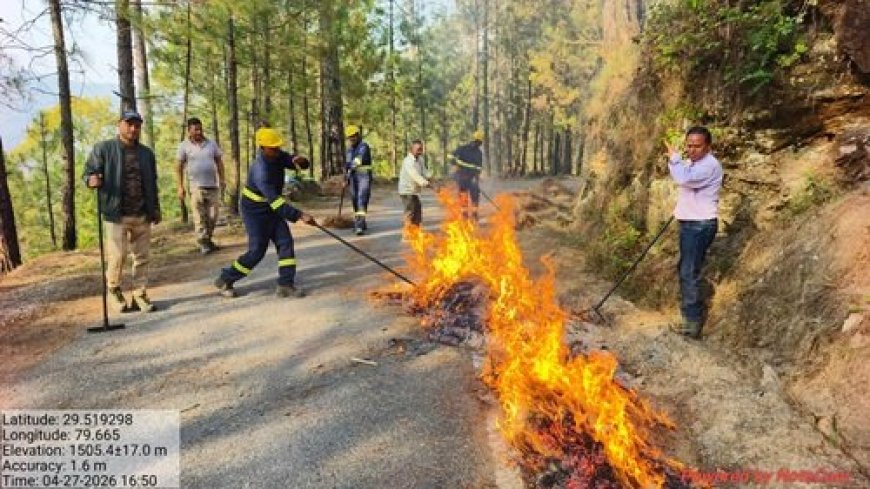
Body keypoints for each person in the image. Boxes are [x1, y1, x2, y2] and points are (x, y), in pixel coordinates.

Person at [214, 127, 316, 298]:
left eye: (278, 147)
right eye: (273, 148)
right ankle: (226, 278)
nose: (277, 150)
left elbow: (296, 163)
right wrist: (300, 215)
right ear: (262, 148)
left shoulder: (276, 155)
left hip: (271, 207)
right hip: (255, 211)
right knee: (256, 251)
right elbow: (276, 203)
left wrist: (300, 161)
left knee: (285, 242)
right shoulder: (261, 170)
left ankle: (285, 284)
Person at [83, 110, 161, 313]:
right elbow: (89, 172)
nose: (133, 129)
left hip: (142, 213)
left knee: (142, 257)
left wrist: (155, 208)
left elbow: (152, 183)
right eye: (129, 124)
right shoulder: (104, 148)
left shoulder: (146, 153)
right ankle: (113, 289)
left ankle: (139, 294)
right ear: (119, 125)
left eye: (137, 125)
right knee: (118, 256)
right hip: (116, 214)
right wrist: (91, 180)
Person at [665, 126, 723, 339]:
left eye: (697, 146)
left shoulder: (709, 166)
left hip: (699, 225)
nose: (692, 150)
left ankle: (692, 323)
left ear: (708, 147)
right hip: (691, 223)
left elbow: (683, 179)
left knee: (689, 271)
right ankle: (690, 317)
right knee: (686, 269)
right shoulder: (693, 163)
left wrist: (674, 158)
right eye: (689, 145)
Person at [176, 117, 226, 254]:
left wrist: (222, 179)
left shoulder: (211, 144)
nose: (198, 132)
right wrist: (180, 186)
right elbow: (178, 167)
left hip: (212, 185)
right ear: (189, 131)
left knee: (213, 215)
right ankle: (203, 242)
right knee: (199, 216)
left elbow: (219, 161)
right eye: (195, 130)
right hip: (196, 187)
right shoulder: (184, 146)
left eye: (200, 129)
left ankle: (208, 239)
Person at [398, 140, 434, 229]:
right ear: (411, 149)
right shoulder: (408, 161)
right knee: (410, 212)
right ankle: (407, 233)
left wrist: (432, 178)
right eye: (418, 149)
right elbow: (416, 176)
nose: (420, 151)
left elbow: (425, 172)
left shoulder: (420, 159)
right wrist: (429, 185)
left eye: (421, 149)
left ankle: (416, 232)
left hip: (414, 191)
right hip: (406, 191)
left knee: (417, 212)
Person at [450, 130, 484, 220]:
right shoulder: (463, 149)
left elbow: (479, 167)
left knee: (475, 194)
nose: (478, 144)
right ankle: (464, 214)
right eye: (477, 142)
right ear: (474, 140)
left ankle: (474, 214)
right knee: (463, 195)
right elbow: (452, 157)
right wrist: (456, 165)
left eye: (479, 142)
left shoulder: (479, 153)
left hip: (472, 177)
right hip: (462, 177)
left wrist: (476, 176)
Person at [345, 124, 373, 235]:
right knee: (355, 200)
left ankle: (359, 225)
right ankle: (361, 222)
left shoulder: (363, 146)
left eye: (353, 136)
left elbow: (358, 160)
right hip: (353, 177)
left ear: (358, 135)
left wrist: (351, 167)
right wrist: (346, 178)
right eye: (350, 137)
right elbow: (347, 164)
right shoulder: (349, 150)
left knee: (362, 199)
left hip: (364, 176)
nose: (351, 138)